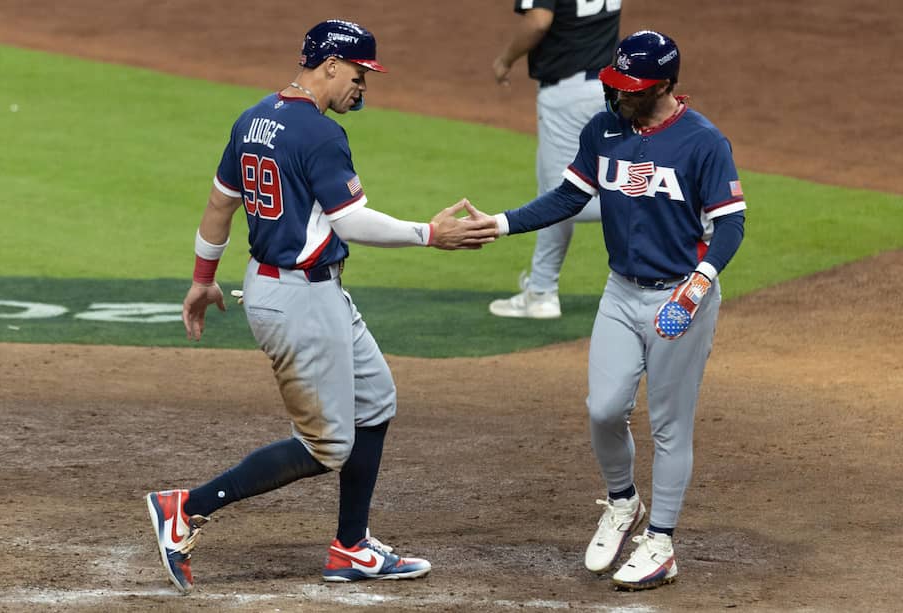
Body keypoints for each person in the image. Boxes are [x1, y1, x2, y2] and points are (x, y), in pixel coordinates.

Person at [144, 19, 497, 593]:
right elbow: (349, 219)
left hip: (297, 288)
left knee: (375, 399)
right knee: (327, 445)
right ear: (330, 64)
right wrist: (430, 234)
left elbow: (218, 204)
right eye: (359, 75)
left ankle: (351, 548)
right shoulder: (319, 133)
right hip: (297, 298)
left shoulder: (253, 118)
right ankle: (187, 508)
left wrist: (203, 278)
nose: (363, 87)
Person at [477, 30, 746, 589]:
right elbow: (569, 196)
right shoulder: (603, 130)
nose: (619, 96)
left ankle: (663, 542)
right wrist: (500, 224)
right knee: (603, 409)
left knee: (670, 426)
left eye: (633, 89)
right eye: (616, 84)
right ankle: (623, 503)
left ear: (666, 86)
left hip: (681, 296)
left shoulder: (703, 141)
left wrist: (697, 287)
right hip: (621, 293)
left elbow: (731, 223)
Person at [488, 0, 623, 319]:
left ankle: (665, 206)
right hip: (610, 87)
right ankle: (542, 290)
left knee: (561, 197)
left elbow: (538, 21)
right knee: (553, 187)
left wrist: (505, 59)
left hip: (567, 95)